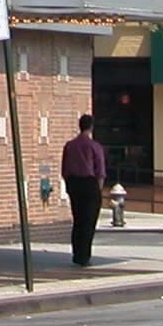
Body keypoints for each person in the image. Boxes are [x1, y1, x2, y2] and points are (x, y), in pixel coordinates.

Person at [61, 114, 106, 267]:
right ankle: (84, 256)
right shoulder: (95, 146)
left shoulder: (69, 145)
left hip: (74, 183)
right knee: (88, 222)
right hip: (89, 184)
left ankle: (76, 253)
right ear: (91, 127)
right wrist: (98, 190)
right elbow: (100, 171)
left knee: (78, 220)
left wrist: (69, 185)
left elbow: (65, 170)